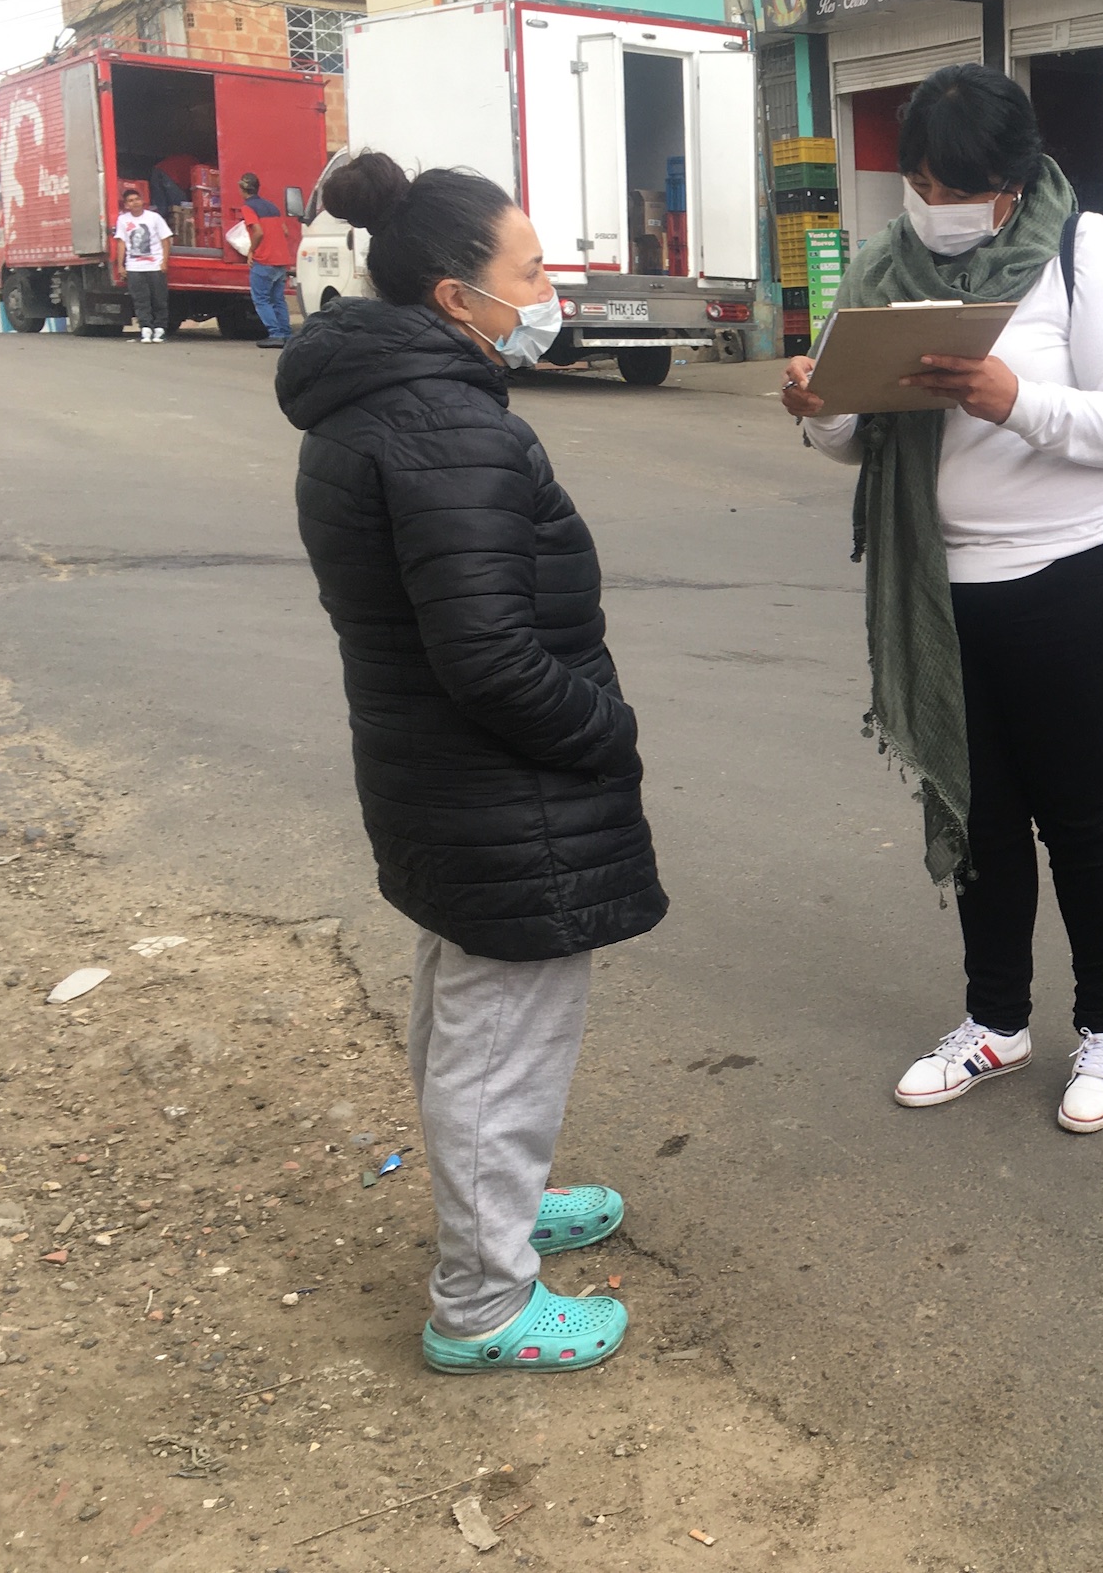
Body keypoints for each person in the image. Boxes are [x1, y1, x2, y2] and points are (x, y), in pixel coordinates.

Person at [280, 151, 667, 1368]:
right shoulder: (449, 428)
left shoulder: (375, 405)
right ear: (456, 296)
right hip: (502, 787)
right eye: (531, 269)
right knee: (501, 1030)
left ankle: (503, 1204)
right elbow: (492, 660)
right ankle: (484, 1303)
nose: (546, 291)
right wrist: (607, 735)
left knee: (468, 1009)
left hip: (440, 779)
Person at [779, 64, 1103, 1135]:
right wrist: (817, 411)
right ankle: (995, 1022)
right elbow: (851, 439)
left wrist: (1016, 402)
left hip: (1068, 580)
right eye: (916, 180)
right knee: (982, 820)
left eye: (955, 185)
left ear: (1008, 181)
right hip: (938, 587)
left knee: (1079, 819)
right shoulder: (881, 267)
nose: (932, 204)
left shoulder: (1081, 253)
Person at [239, 170, 298, 347]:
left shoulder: (248, 207)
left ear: (242, 189)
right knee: (278, 299)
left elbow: (257, 231)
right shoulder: (272, 206)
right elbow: (285, 231)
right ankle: (286, 334)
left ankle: (276, 334)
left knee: (261, 299)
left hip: (264, 260)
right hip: (281, 260)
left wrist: (251, 251)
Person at [112, 185, 173, 343]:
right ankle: (145, 328)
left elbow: (165, 240)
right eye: (130, 201)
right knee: (140, 299)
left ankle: (160, 328)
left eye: (137, 199)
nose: (135, 203)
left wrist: (164, 262)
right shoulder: (123, 220)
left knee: (159, 298)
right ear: (126, 205)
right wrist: (121, 265)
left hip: (155, 265)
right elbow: (121, 243)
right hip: (134, 267)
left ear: (143, 201)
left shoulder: (154, 217)